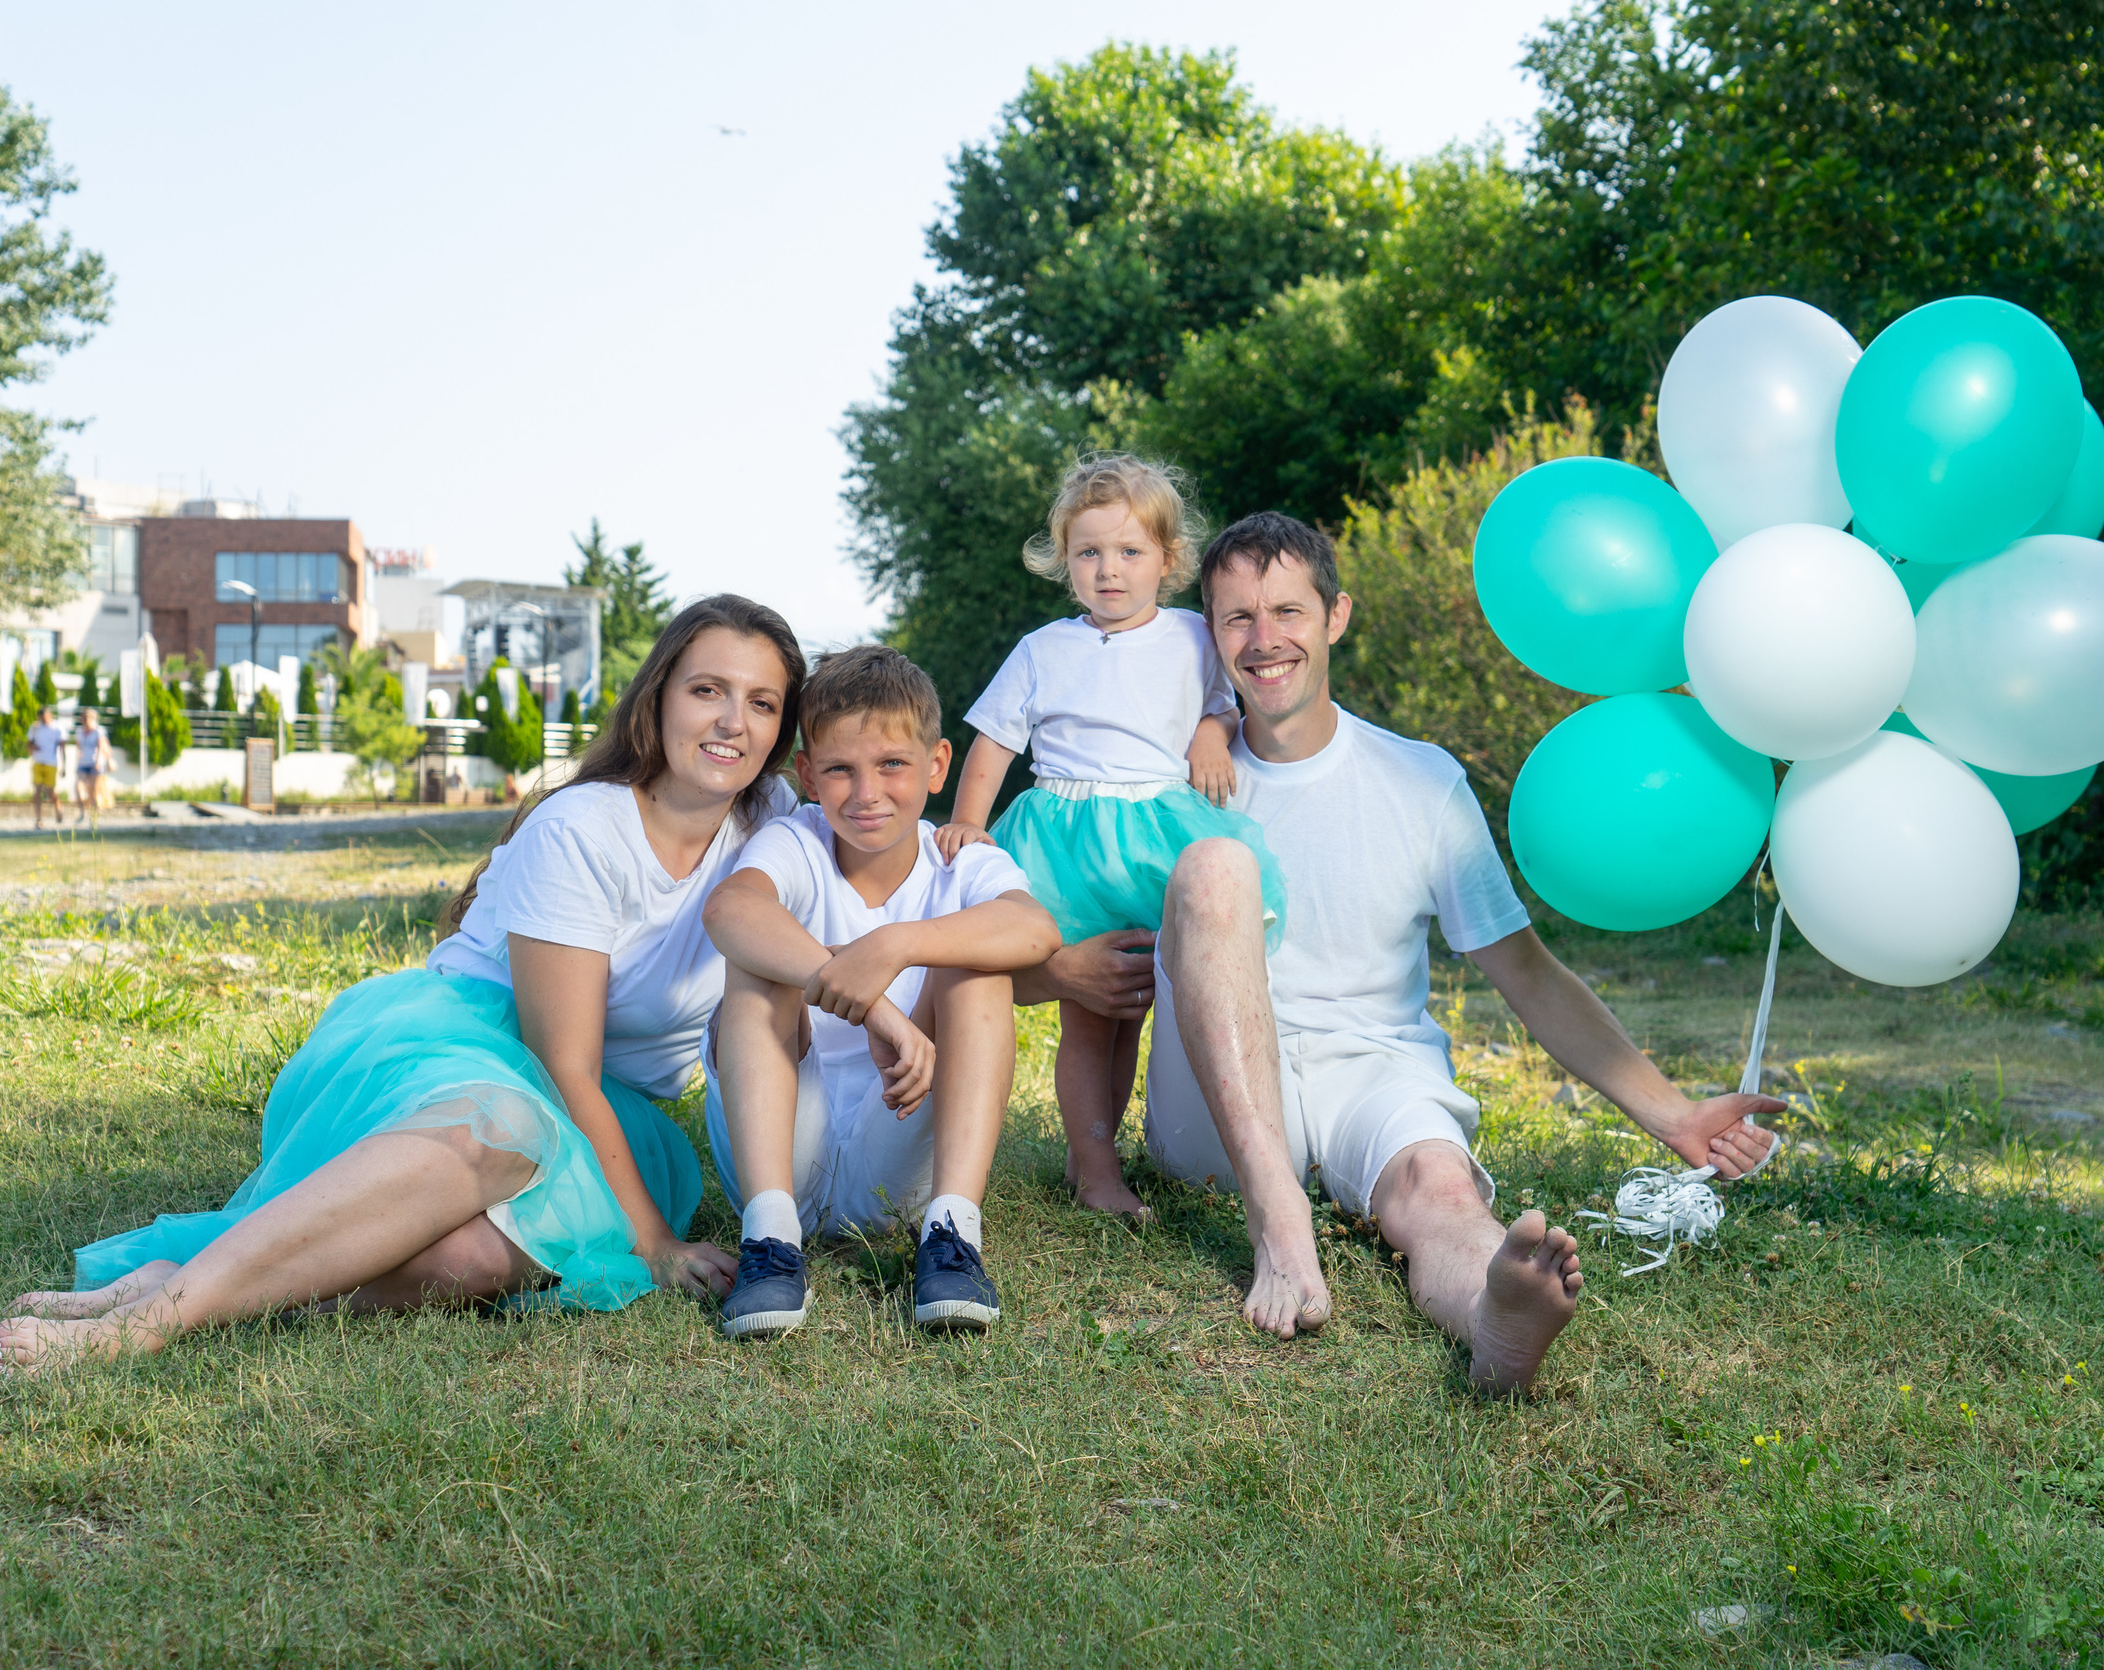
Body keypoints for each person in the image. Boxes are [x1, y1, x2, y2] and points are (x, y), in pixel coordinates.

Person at [1020, 514, 1783, 1396]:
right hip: (1217, 1095)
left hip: (1372, 1063)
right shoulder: (1152, 784)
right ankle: (1279, 1223)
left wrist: (1674, 1114)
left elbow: (1526, 972)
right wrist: (1062, 972)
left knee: (1439, 1186)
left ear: (1336, 615)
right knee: (1216, 864)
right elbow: (1011, 946)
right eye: (1237, 618)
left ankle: (1495, 1316)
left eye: (1288, 612)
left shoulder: (1421, 780)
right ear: (1208, 635)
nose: (1264, 641)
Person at [0, 595, 806, 1373]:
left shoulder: (770, 818)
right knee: (503, 1128)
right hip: (468, 1052)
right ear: (657, 699)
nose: (733, 721)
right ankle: (148, 1325)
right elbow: (563, 1064)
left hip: (614, 1115)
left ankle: (189, 1277)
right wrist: (654, 1241)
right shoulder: (583, 828)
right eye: (707, 690)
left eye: (762, 702)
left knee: (469, 1260)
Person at [935, 455, 1283, 1223]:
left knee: (1134, 1008)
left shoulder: (1193, 636)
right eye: (1088, 552)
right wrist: (969, 820)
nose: (1109, 569)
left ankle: (1099, 1150)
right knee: (1092, 1014)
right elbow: (994, 741)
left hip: (1158, 835)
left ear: (1167, 558)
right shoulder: (1043, 649)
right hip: (1067, 843)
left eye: (1129, 551)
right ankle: (1096, 1171)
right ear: (1065, 561)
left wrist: (1209, 732)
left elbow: (1223, 705)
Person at [701, 646, 1060, 1339]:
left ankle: (952, 1234)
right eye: (840, 769)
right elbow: (729, 910)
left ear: (936, 765)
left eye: (892, 763)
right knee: (758, 961)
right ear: (808, 774)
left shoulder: (959, 861)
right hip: (783, 1142)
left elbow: (1035, 930)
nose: (866, 792)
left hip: (896, 1142)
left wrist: (894, 945)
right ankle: (769, 1240)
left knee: (976, 963)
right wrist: (875, 1007)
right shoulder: (796, 841)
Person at [26, 707, 66, 828]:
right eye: (40, 718)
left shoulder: (57, 728)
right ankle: (38, 819)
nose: (42, 720)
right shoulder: (35, 727)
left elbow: (62, 747)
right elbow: (28, 743)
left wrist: (64, 766)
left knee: (49, 791)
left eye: (44, 717)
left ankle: (57, 804)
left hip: (51, 763)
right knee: (37, 790)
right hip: (38, 761)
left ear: (50, 715)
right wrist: (32, 748)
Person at [71, 708, 112, 816]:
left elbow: (101, 746)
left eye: (86, 717)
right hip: (83, 763)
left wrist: (98, 762)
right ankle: (82, 812)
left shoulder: (99, 731)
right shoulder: (79, 731)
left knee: (93, 791)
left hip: (94, 764)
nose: (84, 720)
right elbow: (79, 747)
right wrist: (77, 761)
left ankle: (94, 815)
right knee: (78, 788)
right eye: (82, 718)